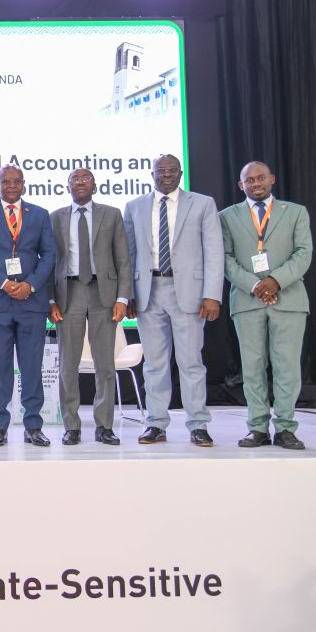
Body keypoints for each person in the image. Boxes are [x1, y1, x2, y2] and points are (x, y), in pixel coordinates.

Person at [123, 154, 224, 447]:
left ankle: (198, 425)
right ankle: (156, 423)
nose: (166, 175)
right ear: (151, 174)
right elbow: (128, 255)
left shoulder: (202, 204)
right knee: (154, 364)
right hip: (148, 291)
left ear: (180, 173)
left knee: (191, 362)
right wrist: (128, 294)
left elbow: (214, 251)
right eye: (161, 170)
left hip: (190, 293)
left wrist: (212, 294)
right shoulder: (134, 207)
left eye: (172, 170)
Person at [219, 161, 312, 450]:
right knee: (252, 368)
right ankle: (257, 428)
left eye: (261, 178)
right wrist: (255, 285)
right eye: (249, 180)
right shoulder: (227, 216)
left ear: (272, 179)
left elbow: (303, 252)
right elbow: (225, 258)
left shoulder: (295, 212)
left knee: (287, 367)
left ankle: (285, 428)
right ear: (241, 185)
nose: (256, 183)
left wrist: (275, 281)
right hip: (247, 300)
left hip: (289, 299)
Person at [0, 165, 57, 447]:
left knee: (32, 367)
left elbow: (49, 254)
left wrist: (30, 284)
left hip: (31, 302)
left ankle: (33, 426)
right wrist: (4, 284)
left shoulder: (40, 214)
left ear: (23, 184)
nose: (11, 186)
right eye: (5, 181)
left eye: (16, 181)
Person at [48, 168, 132, 445]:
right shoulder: (55, 218)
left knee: (105, 364)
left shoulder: (112, 214)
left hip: (103, 294)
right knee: (68, 365)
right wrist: (50, 300)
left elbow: (123, 260)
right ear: (67, 187)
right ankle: (71, 426)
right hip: (68, 293)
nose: (80, 183)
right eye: (75, 179)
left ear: (95, 186)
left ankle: (104, 425)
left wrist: (122, 299)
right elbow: (48, 262)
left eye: (86, 179)